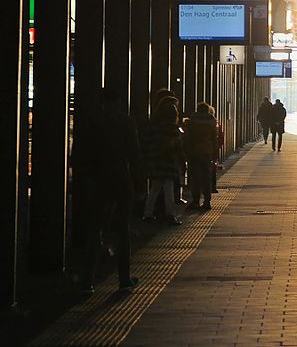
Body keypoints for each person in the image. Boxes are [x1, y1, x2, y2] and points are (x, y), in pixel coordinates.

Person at [74, 87, 141, 294]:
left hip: (96, 180)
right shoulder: (126, 122)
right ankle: (123, 279)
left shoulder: (90, 122)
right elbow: (135, 154)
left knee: (94, 230)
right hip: (120, 178)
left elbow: (78, 153)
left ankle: (87, 281)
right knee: (122, 230)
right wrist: (140, 184)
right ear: (119, 101)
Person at [143, 97, 184, 225]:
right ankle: (170, 214)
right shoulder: (173, 130)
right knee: (169, 190)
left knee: (154, 190)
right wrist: (182, 164)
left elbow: (148, 144)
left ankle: (147, 214)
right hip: (168, 163)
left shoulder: (154, 128)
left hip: (155, 162)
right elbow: (178, 149)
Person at [183, 102, 218, 211]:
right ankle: (207, 201)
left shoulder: (191, 121)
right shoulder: (212, 122)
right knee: (206, 177)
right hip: (207, 152)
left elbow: (187, 138)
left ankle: (195, 201)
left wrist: (186, 151)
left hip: (194, 152)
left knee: (195, 178)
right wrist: (215, 153)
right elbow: (214, 139)